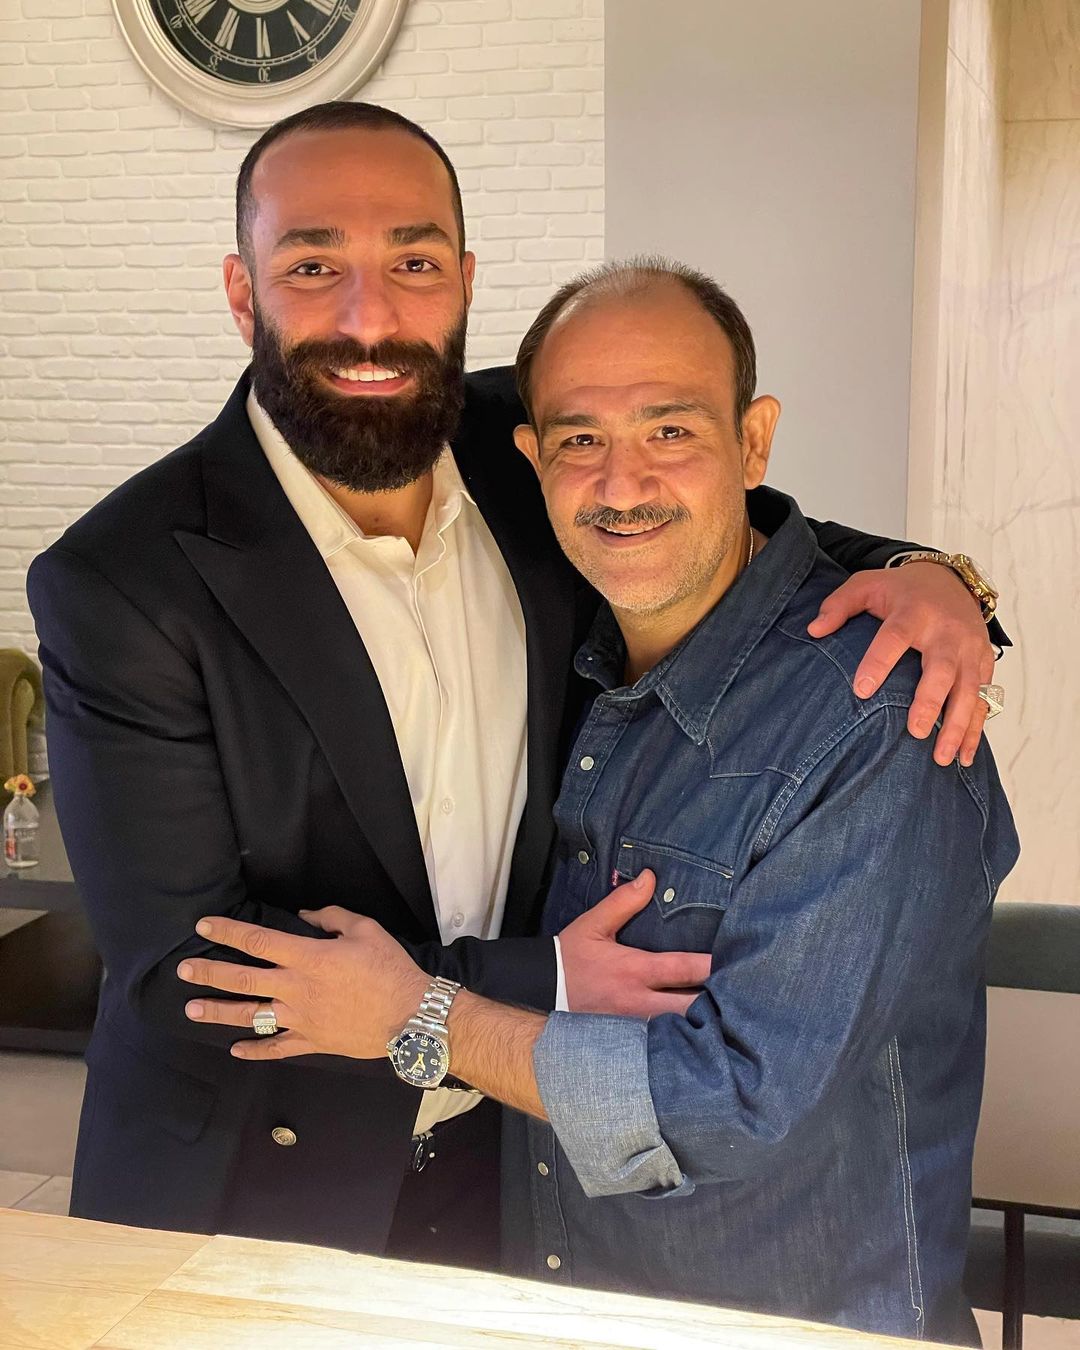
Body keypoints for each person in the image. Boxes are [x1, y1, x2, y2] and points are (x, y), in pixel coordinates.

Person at [30, 100, 1002, 1263]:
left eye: (414, 262)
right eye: (313, 265)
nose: (370, 317)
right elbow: (184, 972)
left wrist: (928, 573)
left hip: (517, 1173)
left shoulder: (527, 439)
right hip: (261, 1187)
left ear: (464, 281)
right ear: (244, 293)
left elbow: (697, 506)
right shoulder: (122, 577)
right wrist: (530, 978)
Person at [181, 258, 1018, 1344]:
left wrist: (420, 1017)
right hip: (562, 1300)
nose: (622, 486)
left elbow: (734, 1102)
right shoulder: (566, 650)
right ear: (532, 458)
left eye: (671, 430)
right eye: (580, 440)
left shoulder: (878, 717)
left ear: (754, 440)